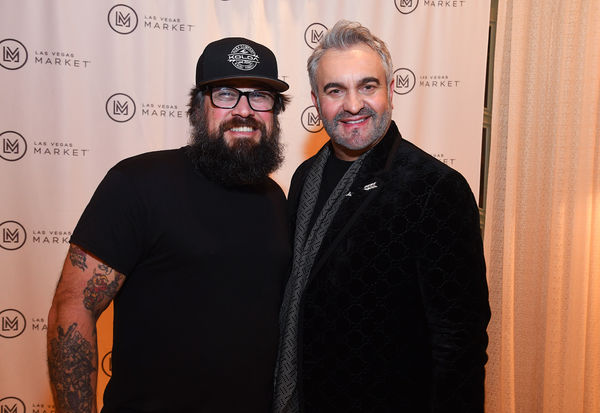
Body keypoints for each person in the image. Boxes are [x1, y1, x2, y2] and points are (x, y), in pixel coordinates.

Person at [47, 37, 291, 413]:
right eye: (226, 94)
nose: (244, 110)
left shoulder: (276, 198)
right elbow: (73, 306)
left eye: (260, 96)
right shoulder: (137, 183)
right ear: (198, 107)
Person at [273, 20, 490, 413]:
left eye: (367, 86)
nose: (353, 104)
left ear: (390, 90)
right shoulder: (306, 176)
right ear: (316, 100)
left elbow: (459, 342)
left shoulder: (435, 187)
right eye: (335, 90)